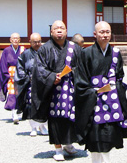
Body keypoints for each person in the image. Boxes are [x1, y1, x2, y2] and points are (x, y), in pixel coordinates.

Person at [75, 21, 127, 163]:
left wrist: (115, 86)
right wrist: (92, 92)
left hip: (111, 101)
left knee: (108, 137)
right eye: (102, 32)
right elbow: (80, 79)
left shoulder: (115, 53)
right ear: (95, 34)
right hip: (93, 102)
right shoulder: (86, 53)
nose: (105, 35)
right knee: (94, 139)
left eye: (108, 32)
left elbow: (120, 75)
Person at [31, 20, 82, 161]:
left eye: (62, 28)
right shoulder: (44, 49)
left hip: (70, 88)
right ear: (51, 32)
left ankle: (69, 143)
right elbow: (39, 70)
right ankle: (58, 148)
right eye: (56, 28)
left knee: (71, 117)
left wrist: (72, 73)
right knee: (55, 119)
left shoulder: (75, 48)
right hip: (52, 90)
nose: (59, 30)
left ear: (66, 31)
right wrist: (52, 76)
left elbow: (82, 68)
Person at [14, 32, 48, 137]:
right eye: (34, 42)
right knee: (31, 106)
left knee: (44, 105)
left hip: (44, 83)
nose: (37, 44)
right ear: (30, 42)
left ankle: (42, 126)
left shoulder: (46, 52)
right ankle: (33, 127)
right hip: (30, 84)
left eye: (39, 42)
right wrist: (27, 78)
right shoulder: (25, 54)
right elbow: (20, 69)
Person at [0, 32, 25, 124]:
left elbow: (26, 62)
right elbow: (3, 65)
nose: (15, 40)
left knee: (20, 93)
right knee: (12, 93)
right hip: (11, 75)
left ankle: (19, 111)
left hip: (21, 75)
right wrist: (7, 75)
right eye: (14, 38)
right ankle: (14, 112)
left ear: (19, 40)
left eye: (17, 38)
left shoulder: (23, 50)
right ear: (10, 40)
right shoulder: (6, 51)